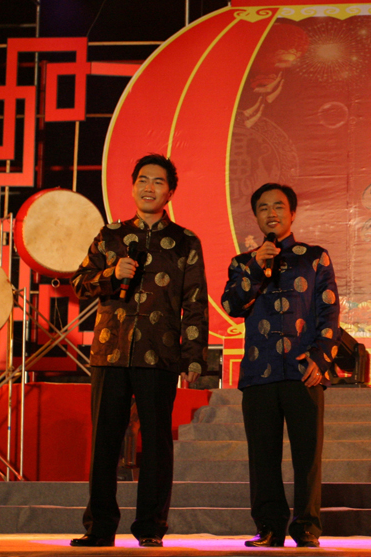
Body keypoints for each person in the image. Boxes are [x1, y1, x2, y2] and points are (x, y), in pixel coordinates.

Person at [70, 154, 209, 548]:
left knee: (157, 443)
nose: (149, 188)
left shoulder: (185, 241)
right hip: (110, 351)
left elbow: (195, 302)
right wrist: (111, 274)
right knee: (105, 441)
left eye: (158, 182)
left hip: (159, 353)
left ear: (170, 192)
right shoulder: (110, 235)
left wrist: (193, 356)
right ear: (132, 187)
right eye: (143, 180)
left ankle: (150, 527)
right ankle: (100, 527)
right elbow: (80, 283)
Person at [221, 183, 340, 548]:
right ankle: (269, 527)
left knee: (307, 455)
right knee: (263, 456)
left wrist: (321, 358)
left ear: (292, 213)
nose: (271, 213)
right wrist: (256, 266)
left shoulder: (315, 257)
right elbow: (232, 305)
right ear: (256, 216)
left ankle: (306, 527)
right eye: (263, 208)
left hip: (304, 371)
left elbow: (329, 311)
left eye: (278, 206)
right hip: (260, 372)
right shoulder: (243, 263)